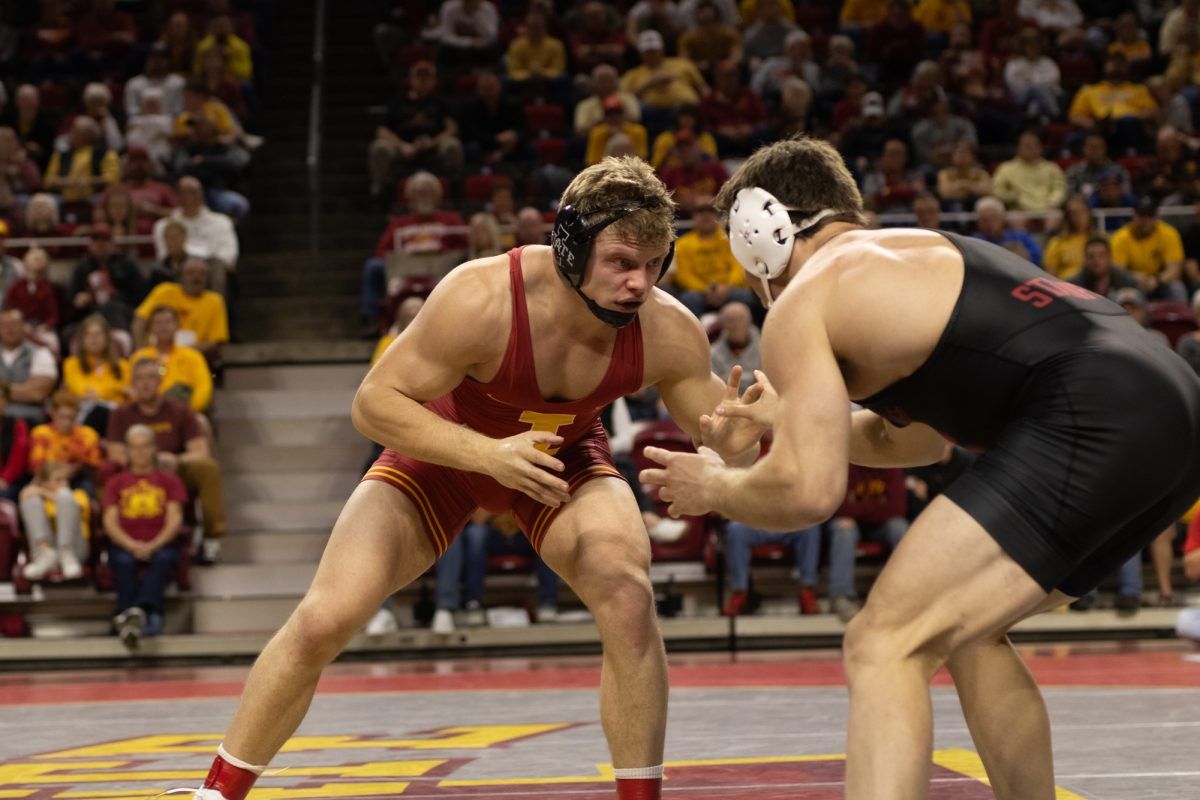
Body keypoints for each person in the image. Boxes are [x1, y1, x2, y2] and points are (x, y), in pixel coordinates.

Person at [187, 156, 768, 800]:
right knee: (326, 618)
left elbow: (724, 441)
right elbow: (372, 404)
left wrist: (735, 442)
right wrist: (487, 455)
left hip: (562, 460)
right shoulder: (483, 296)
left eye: (655, 264)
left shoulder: (667, 329)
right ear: (571, 248)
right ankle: (217, 794)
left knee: (629, 598)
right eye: (621, 263)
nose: (639, 284)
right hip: (448, 451)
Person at [641, 137, 1200, 799]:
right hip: (1171, 407)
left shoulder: (806, 298)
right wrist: (779, 420)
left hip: (1091, 407)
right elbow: (915, 442)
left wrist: (715, 485)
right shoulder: (909, 258)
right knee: (967, 631)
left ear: (761, 234)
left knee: (882, 643)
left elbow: (808, 492)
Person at [107, 358, 226, 559]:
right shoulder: (121, 413)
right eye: (140, 379)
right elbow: (116, 453)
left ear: (161, 381)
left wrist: (176, 460)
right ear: (132, 383)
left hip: (174, 472)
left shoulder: (179, 411)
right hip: (134, 474)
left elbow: (200, 450)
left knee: (208, 467)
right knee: (108, 472)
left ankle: (211, 537)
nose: (145, 384)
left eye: (151, 378)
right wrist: (143, 460)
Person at [104, 424, 186, 648]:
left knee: (163, 559)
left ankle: (130, 615)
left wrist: (154, 544)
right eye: (134, 447)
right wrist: (131, 545)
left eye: (145, 446)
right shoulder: (116, 482)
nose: (140, 452)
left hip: (162, 542)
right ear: (127, 450)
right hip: (125, 543)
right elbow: (109, 520)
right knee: (123, 561)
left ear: (154, 448)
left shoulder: (169, 480)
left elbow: (175, 518)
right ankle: (146, 615)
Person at [133, 258, 229, 362]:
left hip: (193, 357)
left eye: (202, 273)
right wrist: (140, 352)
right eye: (190, 273)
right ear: (181, 276)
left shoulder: (215, 301)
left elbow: (217, 341)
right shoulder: (164, 291)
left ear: (208, 278)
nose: (196, 277)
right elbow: (139, 320)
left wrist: (178, 352)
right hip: (153, 354)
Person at [130, 307, 213, 413]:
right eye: (158, 322)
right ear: (151, 327)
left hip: (184, 412)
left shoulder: (193, 356)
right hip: (145, 412)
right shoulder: (139, 356)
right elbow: (129, 387)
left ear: (177, 325)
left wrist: (189, 411)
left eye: (168, 322)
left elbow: (204, 388)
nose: (163, 327)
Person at [1110, 197, 1189, 303]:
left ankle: (1180, 314)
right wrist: (1136, 277)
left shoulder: (1169, 233)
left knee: (1177, 288)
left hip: (1160, 282)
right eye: (1142, 216)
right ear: (1134, 215)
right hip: (1132, 283)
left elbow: (1175, 269)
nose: (1146, 221)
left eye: (1150, 216)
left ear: (1157, 216)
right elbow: (1117, 270)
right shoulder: (1120, 237)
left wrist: (1157, 280)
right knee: (1116, 292)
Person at [64, 314, 130, 434]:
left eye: (98, 334)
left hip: (116, 416)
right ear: (81, 339)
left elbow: (129, 392)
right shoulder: (71, 364)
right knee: (96, 411)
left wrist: (96, 395)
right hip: (84, 415)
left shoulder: (123, 366)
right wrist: (115, 389)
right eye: (89, 335)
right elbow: (78, 389)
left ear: (107, 338)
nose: (94, 339)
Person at [0, 308, 56, 422]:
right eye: (4, 325)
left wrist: (3, 390)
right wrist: (23, 390)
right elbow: (30, 391)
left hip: (30, 420)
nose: (9, 329)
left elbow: (37, 393)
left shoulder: (41, 352)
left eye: (14, 324)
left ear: (24, 326)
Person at [1042, 195, 1102, 280]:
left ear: (1089, 213)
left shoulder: (1100, 240)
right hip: (1065, 285)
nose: (1079, 217)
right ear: (1067, 217)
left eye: (1083, 211)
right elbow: (1049, 276)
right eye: (1074, 213)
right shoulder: (1057, 243)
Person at [1068, 236, 1140, 300]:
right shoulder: (1074, 285)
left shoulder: (1125, 281)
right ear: (1085, 260)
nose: (1096, 260)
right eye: (1091, 256)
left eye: (1101, 255)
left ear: (1109, 257)